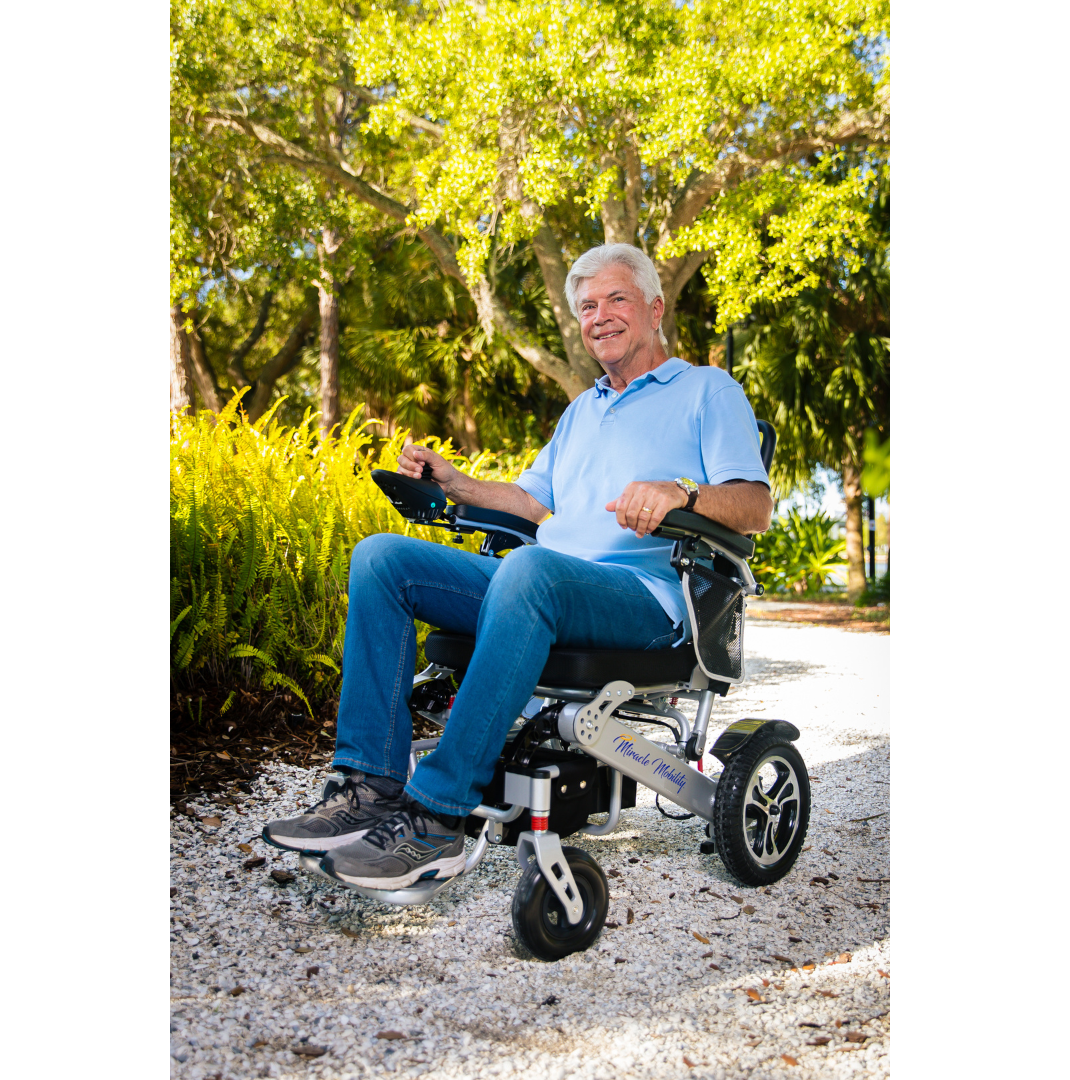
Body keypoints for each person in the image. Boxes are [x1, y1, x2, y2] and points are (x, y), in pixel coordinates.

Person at [262, 242, 772, 889]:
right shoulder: (582, 410)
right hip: (543, 586)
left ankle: (439, 814)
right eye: (587, 307)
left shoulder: (706, 390)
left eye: (616, 299)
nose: (600, 316)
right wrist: (456, 482)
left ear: (654, 308)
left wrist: (681, 494)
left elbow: (755, 506)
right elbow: (531, 503)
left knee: (531, 570)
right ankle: (369, 788)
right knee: (381, 559)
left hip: (645, 599)